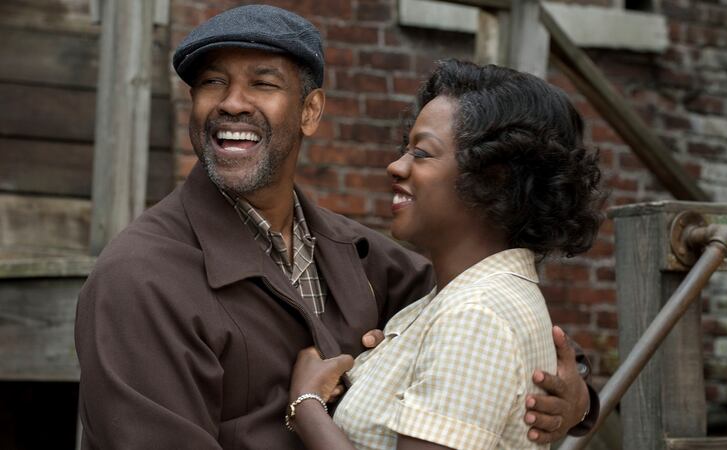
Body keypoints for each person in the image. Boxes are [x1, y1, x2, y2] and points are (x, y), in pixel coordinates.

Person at [75, 5, 596, 449]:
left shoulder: (361, 256)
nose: (232, 102)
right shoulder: (140, 278)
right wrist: (306, 406)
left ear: (310, 111)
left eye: (263, 83)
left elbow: (484, 323)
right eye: (212, 82)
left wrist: (578, 397)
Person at [285, 59, 604, 450]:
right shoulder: (451, 300)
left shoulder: (476, 315)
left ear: (493, 178)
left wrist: (306, 405)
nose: (395, 166)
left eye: (421, 153)